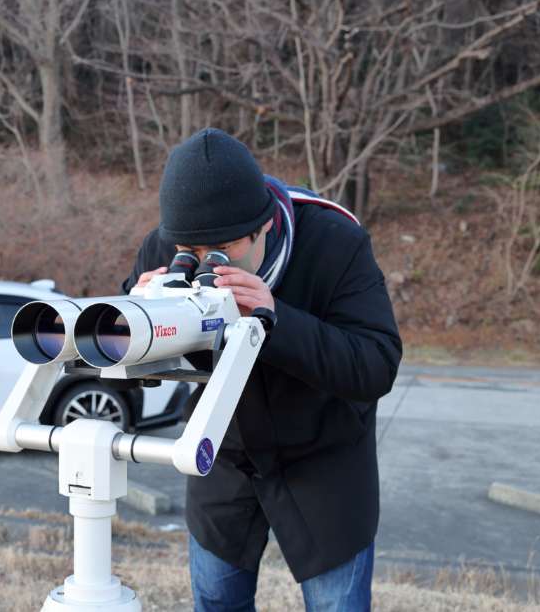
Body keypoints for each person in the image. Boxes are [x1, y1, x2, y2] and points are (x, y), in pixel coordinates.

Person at [121, 128, 402, 612]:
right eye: (194, 252)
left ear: (265, 227)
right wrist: (141, 315)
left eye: (223, 252)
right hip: (225, 454)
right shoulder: (166, 249)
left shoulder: (336, 242)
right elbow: (142, 363)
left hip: (325, 459)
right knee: (215, 599)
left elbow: (375, 365)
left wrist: (278, 321)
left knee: (337, 605)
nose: (206, 265)